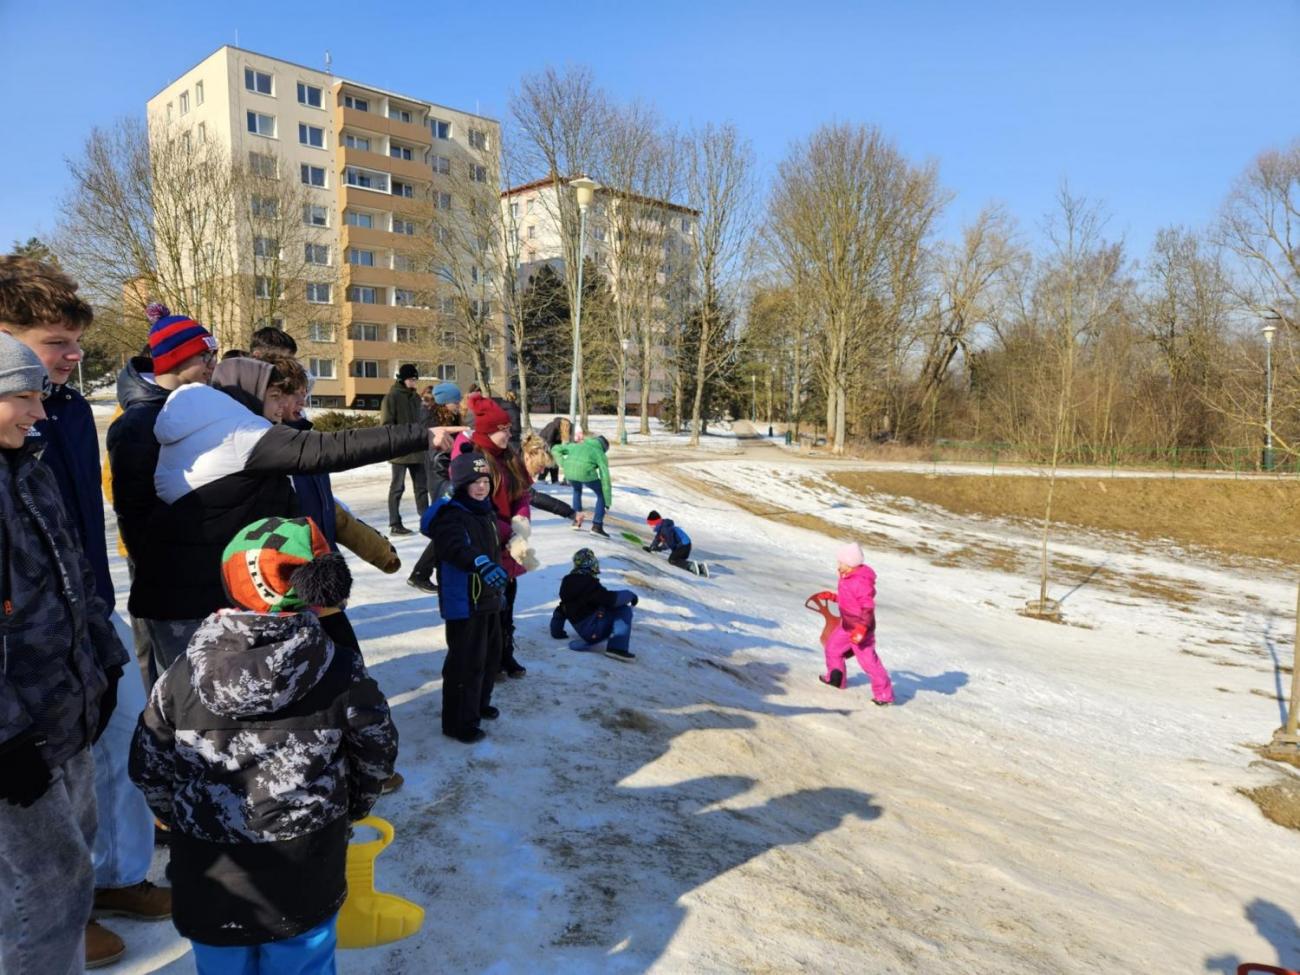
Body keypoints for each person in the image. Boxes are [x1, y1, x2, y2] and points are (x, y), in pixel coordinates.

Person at [130, 516, 397, 974]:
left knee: (221, 963)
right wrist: (351, 805)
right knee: (303, 961)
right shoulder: (340, 670)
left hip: (209, 865)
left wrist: (180, 817)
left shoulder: (179, 674)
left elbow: (149, 762)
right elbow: (375, 751)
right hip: (305, 861)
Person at [2, 258, 171, 967]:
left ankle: (105, 882)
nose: (72, 358)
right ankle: (56, 913)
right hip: (22, 657)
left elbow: (67, 523)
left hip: (77, 616)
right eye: (54, 342)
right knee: (34, 839)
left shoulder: (60, 412)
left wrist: (94, 625)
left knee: (114, 747)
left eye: (76, 342)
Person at [141, 356, 454, 671]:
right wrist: (421, 436)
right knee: (209, 703)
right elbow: (332, 448)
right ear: (247, 395)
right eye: (273, 396)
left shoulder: (209, 429)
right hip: (194, 603)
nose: (281, 407)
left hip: (193, 593)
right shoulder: (241, 436)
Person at [0, 331, 132, 975]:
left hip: (65, 711)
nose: (39, 411)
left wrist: (102, 661)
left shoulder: (30, 466)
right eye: (21, 396)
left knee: (72, 864)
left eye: (39, 395)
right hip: (16, 735)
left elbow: (74, 574)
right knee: (43, 890)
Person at [108, 305, 219, 691]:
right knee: (182, 690)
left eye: (213, 355)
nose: (211, 364)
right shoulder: (136, 424)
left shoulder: (201, 405)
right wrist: (165, 565)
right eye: (205, 355)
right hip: (171, 580)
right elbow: (134, 514)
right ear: (174, 358)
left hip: (207, 571)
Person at [421, 446, 509, 743]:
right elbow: (454, 547)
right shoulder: (451, 515)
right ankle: (458, 722)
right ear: (461, 485)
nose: (482, 487)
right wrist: (479, 562)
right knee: (465, 663)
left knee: (488, 658)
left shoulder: (485, 512)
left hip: (488, 599)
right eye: (475, 482)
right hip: (465, 601)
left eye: (486, 481)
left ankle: (478, 705)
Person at [459, 393, 533, 678]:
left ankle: (505, 654)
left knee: (508, 604)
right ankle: (489, 659)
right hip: (487, 543)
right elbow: (474, 505)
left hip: (510, 543)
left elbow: (523, 494)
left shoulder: (509, 458)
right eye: (504, 430)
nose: (509, 433)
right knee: (489, 608)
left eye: (509, 429)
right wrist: (503, 531)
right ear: (489, 431)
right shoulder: (475, 459)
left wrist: (521, 520)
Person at [813, 543, 894, 704]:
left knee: (869, 663)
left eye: (841, 563)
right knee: (832, 648)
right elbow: (849, 600)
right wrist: (832, 597)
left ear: (850, 564)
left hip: (861, 629)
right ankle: (836, 678)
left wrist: (862, 628)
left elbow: (867, 607)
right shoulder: (847, 578)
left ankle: (884, 695)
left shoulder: (860, 582)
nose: (838, 565)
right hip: (847, 624)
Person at [407, 383, 464, 594]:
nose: (458, 405)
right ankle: (420, 573)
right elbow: (436, 456)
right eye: (455, 401)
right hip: (441, 479)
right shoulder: (434, 421)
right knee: (447, 528)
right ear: (444, 402)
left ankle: (426, 572)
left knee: (449, 528)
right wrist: (450, 473)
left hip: (446, 476)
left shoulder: (448, 418)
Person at [550, 549, 638, 662]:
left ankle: (613, 643)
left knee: (605, 607)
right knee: (624, 610)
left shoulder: (568, 586)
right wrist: (630, 595)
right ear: (591, 564)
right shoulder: (589, 583)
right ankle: (617, 649)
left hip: (585, 631)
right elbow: (610, 599)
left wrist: (557, 632)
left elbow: (560, 611)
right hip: (594, 630)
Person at [380, 363, 429, 535]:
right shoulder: (391, 398)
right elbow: (387, 425)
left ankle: (427, 520)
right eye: (411, 379)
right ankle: (395, 524)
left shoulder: (416, 399)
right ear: (402, 379)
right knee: (397, 488)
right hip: (400, 452)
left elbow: (422, 423)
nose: (414, 382)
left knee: (422, 487)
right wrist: (398, 442)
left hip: (417, 450)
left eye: (416, 379)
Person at [552, 434, 612, 537]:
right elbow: (605, 477)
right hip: (585, 474)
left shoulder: (576, 445)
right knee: (601, 495)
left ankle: (576, 520)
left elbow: (555, 448)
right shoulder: (599, 453)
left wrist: (564, 464)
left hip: (569, 473)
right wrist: (607, 501)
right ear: (603, 447)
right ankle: (597, 526)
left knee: (577, 490)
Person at [521, 435, 584, 527]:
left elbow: (534, 497)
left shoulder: (518, 472)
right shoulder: (512, 471)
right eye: (540, 465)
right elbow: (534, 498)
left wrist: (570, 513)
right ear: (529, 457)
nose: (542, 471)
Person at [537, 415, 571, 483]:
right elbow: (549, 440)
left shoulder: (562, 428)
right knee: (548, 461)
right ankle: (541, 478)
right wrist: (552, 451)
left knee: (555, 462)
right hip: (544, 443)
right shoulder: (553, 427)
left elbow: (559, 441)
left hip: (553, 444)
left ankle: (555, 479)